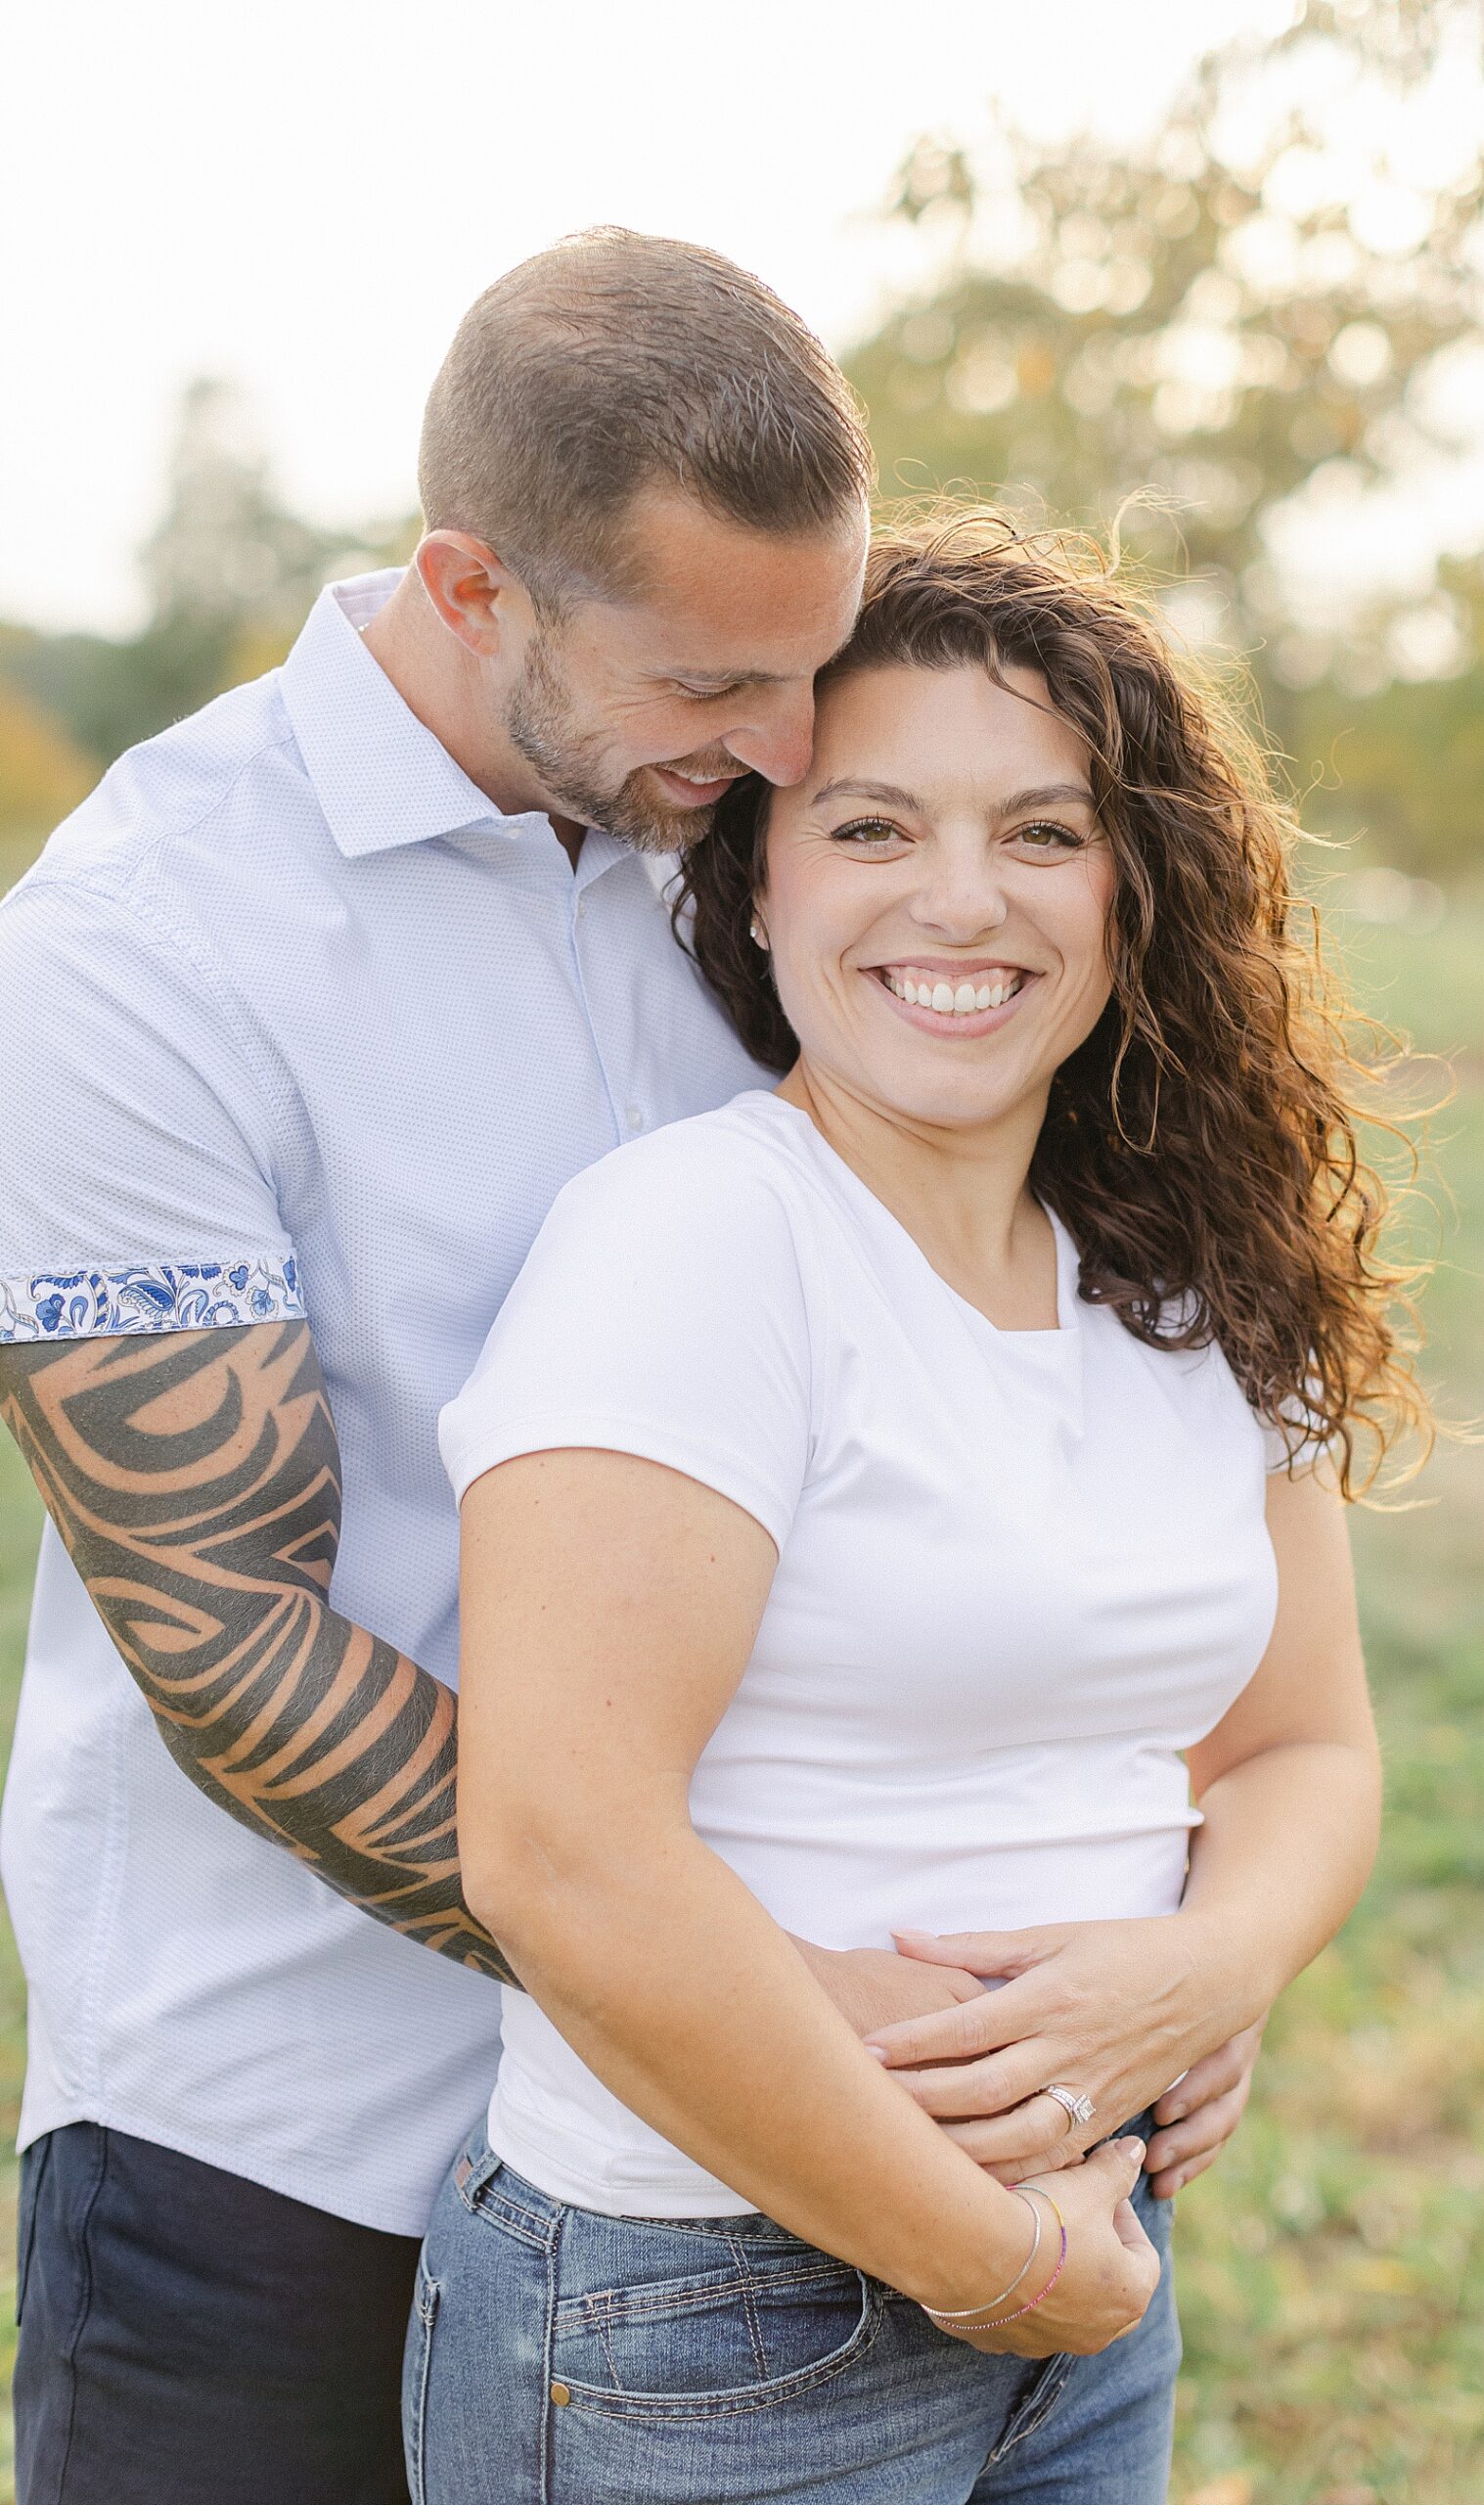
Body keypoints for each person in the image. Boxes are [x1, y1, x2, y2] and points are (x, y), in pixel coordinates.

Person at [0, 238, 1259, 2501]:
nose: (789, 747)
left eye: (808, 670)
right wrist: (749, 1991)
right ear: (472, 586)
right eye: (715, 679)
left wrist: (1150, 1954)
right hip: (286, 2134)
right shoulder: (133, 956)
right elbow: (230, 1636)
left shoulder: (736, 853)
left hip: (772, 2166)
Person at [413, 514, 1417, 2503]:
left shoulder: (1187, 1271)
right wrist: (979, 2252)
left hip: (1089, 2256)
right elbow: (558, 1850)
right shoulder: (699, 1242)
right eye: (870, 827)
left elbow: (1301, 1743)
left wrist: (1202, 1971)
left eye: (1040, 831)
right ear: (757, 881)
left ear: (1135, 889)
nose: (958, 900)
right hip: (699, 2312)